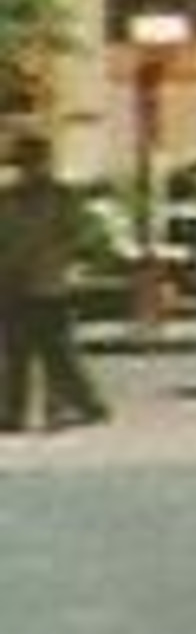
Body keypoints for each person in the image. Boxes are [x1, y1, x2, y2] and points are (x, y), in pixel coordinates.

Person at [0, 134, 111, 433]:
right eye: (22, 165)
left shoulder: (62, 197)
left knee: (58, 353)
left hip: (49, 284)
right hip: (11, 285)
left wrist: (65, 262)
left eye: (32, 163)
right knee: (15, 354)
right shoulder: (7, 198)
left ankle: (77, 406)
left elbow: (80, 237)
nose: (27, 170)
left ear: (45, 163)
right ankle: (13, 412)